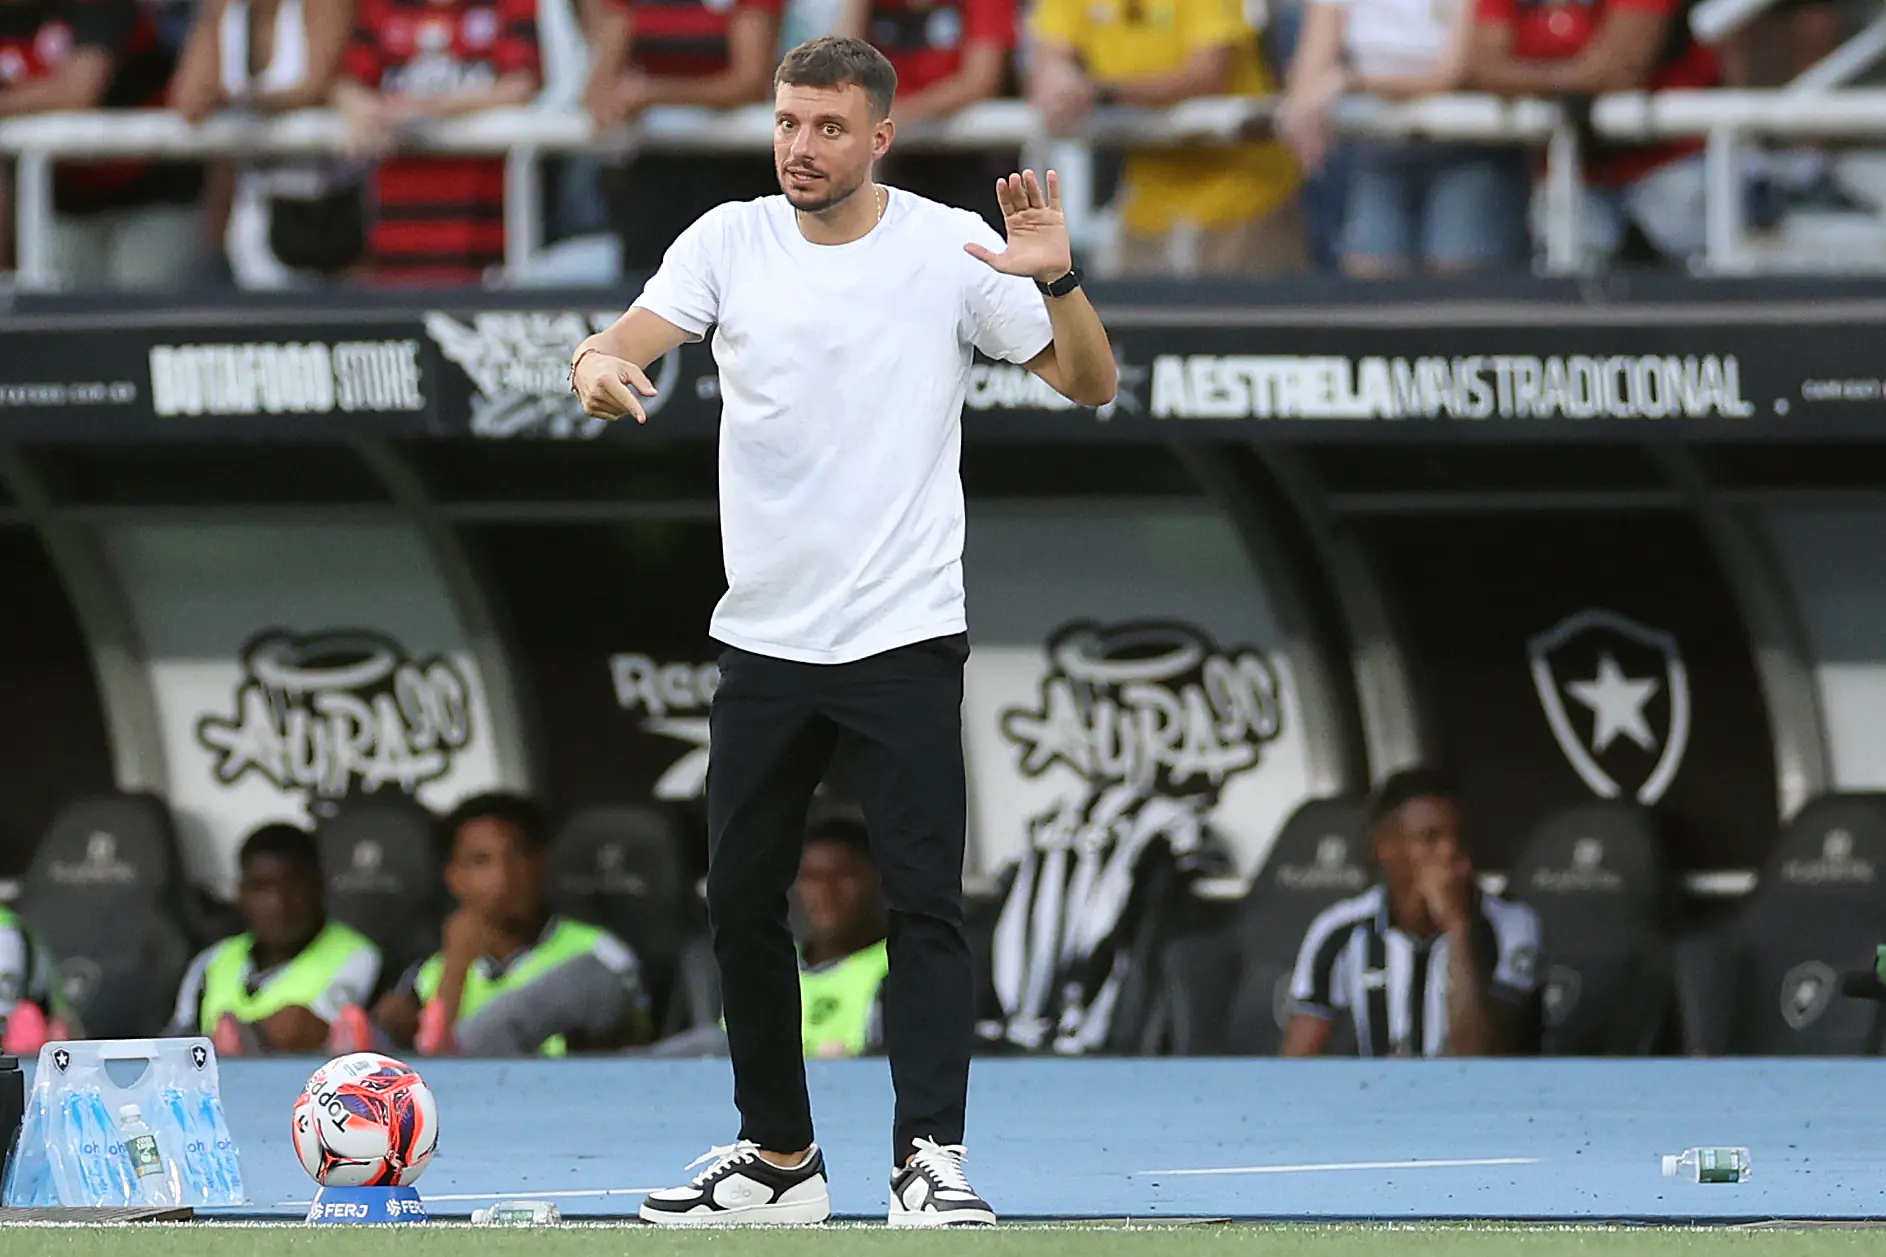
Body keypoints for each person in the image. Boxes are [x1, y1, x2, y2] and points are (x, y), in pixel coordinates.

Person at [569, 34, 1114, 1227]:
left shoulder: (945, 248)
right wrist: (594, 365)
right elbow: (620, 342)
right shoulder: (727, 240)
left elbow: (1090, 383)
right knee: (738, 901)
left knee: (922, 903)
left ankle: (928, 1158)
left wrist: (1058, 280)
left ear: (879, 137)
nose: (800, 148)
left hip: (902, 632)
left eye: (826, 127)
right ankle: (779, 1160)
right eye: (786, 124)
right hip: (763, 638)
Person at [331, 792, 652, 1057]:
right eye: (481, 862)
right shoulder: (431, 973)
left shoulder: (598, 950)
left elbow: (634, 1043)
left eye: (517, 855)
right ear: (455, 878)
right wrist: (456, 968)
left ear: (541, 863)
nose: (503, 876)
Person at [1025, 0, 1304, 277]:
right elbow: (1049, 57)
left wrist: (1100, 92)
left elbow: (1206, 75)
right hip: (1146, 205)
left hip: (1243, 199)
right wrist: (1059, 81)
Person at [1282, 769, 1543, 1058]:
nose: (1450, 851)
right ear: (1384, 848)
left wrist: (1457, 928)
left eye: (1460, 837)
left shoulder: (1512, 926)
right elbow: (1297, 1061)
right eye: (1430, 838)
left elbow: (1478, 1056)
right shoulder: (1339, 929)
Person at [1278, 0, 1528, 276]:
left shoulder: (1351, 79)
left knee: (1459, 283)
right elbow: (1308, 71)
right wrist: (1308, 100)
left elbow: (1450, 74)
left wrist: (1351, 81)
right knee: (1368, 278)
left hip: (1467, 152)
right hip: (1378, 154)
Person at [1466, 0, 1718, 269]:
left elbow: (1618, 69)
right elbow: (1482, 68)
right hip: (1576, 172)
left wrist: (1529, 82)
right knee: (1568, 273)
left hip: (1669, 162)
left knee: (1700, 269)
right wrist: (1566, 85)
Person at [330, 0, 540, 283]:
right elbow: (345, 82)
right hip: (398, 227)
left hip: (486, 229)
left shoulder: (508, 6)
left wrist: (427, 107)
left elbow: (523, 84)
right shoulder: (382, 8)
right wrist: (359, 107)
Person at [0, 0, 203, 287]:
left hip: (153, 195)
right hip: (63, 202)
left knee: (144, 303)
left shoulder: (103, 6)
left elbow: (78, 92)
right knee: (62, 305)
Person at [582, 0, 783, 273]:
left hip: (735, 173)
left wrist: (650, 94)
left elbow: (751, 83)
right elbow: (599, 90)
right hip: (652, 177)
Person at [168, 0, 356, 287]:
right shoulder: (222, 7)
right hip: (252, 204)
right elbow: (188, 99)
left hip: (328, 210)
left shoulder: (324, 4)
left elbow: (314, 88)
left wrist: (239, 100)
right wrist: (210, 96)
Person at [166, 823, 381, 1056]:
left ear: (319, 887)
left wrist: (240, 1038)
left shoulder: (356, 955)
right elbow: (174, 1046)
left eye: (294, 886)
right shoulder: (211, 961)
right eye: (261, 888)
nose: (278, 903)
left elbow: (307, 1032)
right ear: (240, 894)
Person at [833, 0, 1016, 230]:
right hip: (890, 161)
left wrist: (897, 116)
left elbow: (980, 81)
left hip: (973, 162)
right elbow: (838, 75)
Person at [797, 815, 890, 1059]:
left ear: (877, 879)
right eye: (812, 878)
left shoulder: (901, 964)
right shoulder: (767, 963)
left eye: (844, 876)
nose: (825, 892)